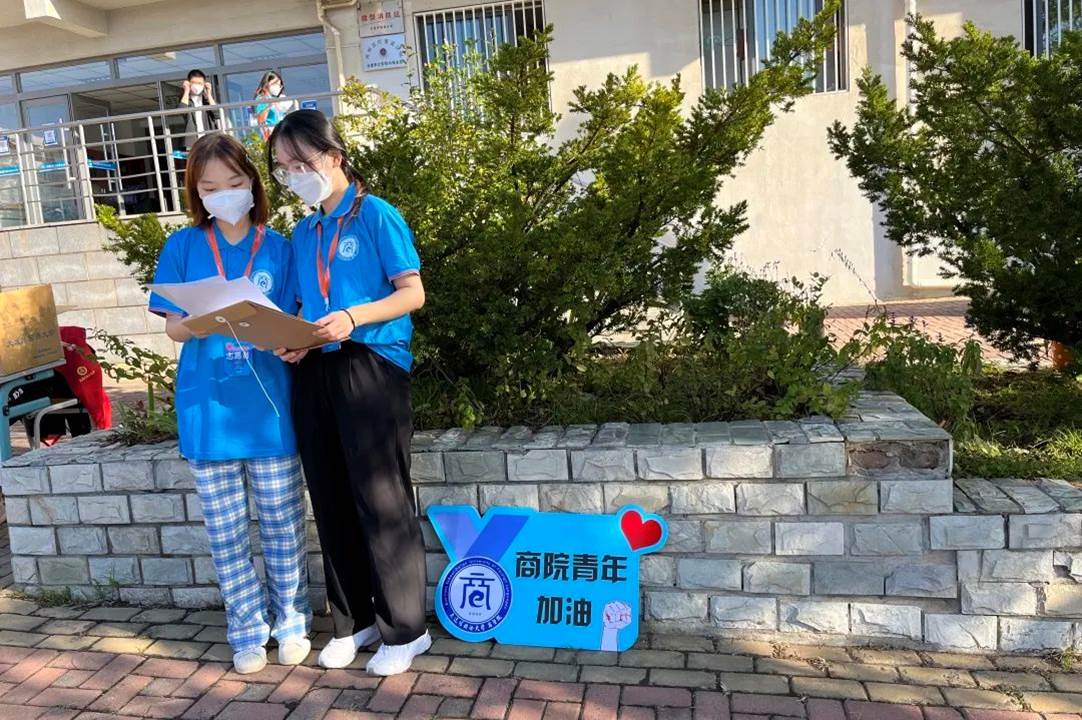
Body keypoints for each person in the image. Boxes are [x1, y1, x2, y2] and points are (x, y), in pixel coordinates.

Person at [267, 109, 430, 676]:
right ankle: (353, 620)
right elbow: (300, 304)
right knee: (330, 496)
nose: (294, 176)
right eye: (284, 168)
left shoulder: (376, 215)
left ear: (334, 156)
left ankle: (405, 630)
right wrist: (293, 341)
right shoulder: (303, 232)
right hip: (317, 368)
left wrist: (354, 316)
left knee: (381, 499)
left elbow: (412, 294)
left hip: (371, 364)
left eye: (301, 163)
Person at [148, 132, 310, 675]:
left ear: (253, 183)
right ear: (196, 192)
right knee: (226, 533)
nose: (224, 194)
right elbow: (173, 328)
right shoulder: (183, 247)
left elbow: (297, 318)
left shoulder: (280, 247)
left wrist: (292, 339)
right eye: (210, 187)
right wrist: (208, 318)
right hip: (209, 410)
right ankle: (246, 630)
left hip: (269, 410)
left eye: (234, 182)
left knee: (283, 524)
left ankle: (291, 621)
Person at [179, 69, 219, 147]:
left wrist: (209, 94)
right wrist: (186, 90)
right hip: (193, 141)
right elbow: (181, 111)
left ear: (204, 84)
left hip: (210, 140)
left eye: (200, 83)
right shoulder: (186, 100)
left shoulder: (207, 100)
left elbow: (217, 114)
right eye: (194, 83)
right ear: (189, 83)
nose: (197, 86)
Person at [253, 70, 296, 140]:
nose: (278, 86)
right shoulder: (262, 98)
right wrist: (270, 105)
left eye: (279, 84)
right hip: (270, 134)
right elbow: (261, 119)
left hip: (281, 132)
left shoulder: (277, 98)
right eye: (274, 83)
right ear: (267, 83)